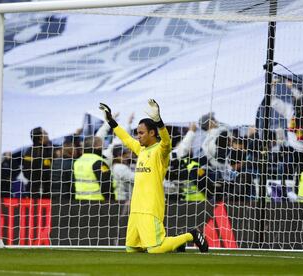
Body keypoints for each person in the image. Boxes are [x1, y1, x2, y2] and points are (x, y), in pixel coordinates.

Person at [99, 99, 208, 253]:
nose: (138, 136)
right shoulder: (141, 149)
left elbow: (166, 142)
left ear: (152, 133)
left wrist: (159, 122)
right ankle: (174, 242)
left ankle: (191, 235)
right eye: (137, 133)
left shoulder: (160, 152)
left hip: (151, 206)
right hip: (136, 207)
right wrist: (111, 121)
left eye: (141, 133)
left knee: (155, 249)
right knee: (131, 249)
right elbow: (125, 138)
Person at [73, 136, 113, 201]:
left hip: (80, 200)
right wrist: (111, 199)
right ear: (97, 146)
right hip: (97, 201)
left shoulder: (77, 161)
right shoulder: (98, 162)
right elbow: (106, 184)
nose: (103, 147)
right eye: (101, 144)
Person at [22, 127, 53, 198]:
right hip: (35, 192)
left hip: (48, 191)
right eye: (45, 133)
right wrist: (40, 181)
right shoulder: (30, 152)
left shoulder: (49, 149)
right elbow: (26, 172)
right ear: (40, 137)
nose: (47, 134)